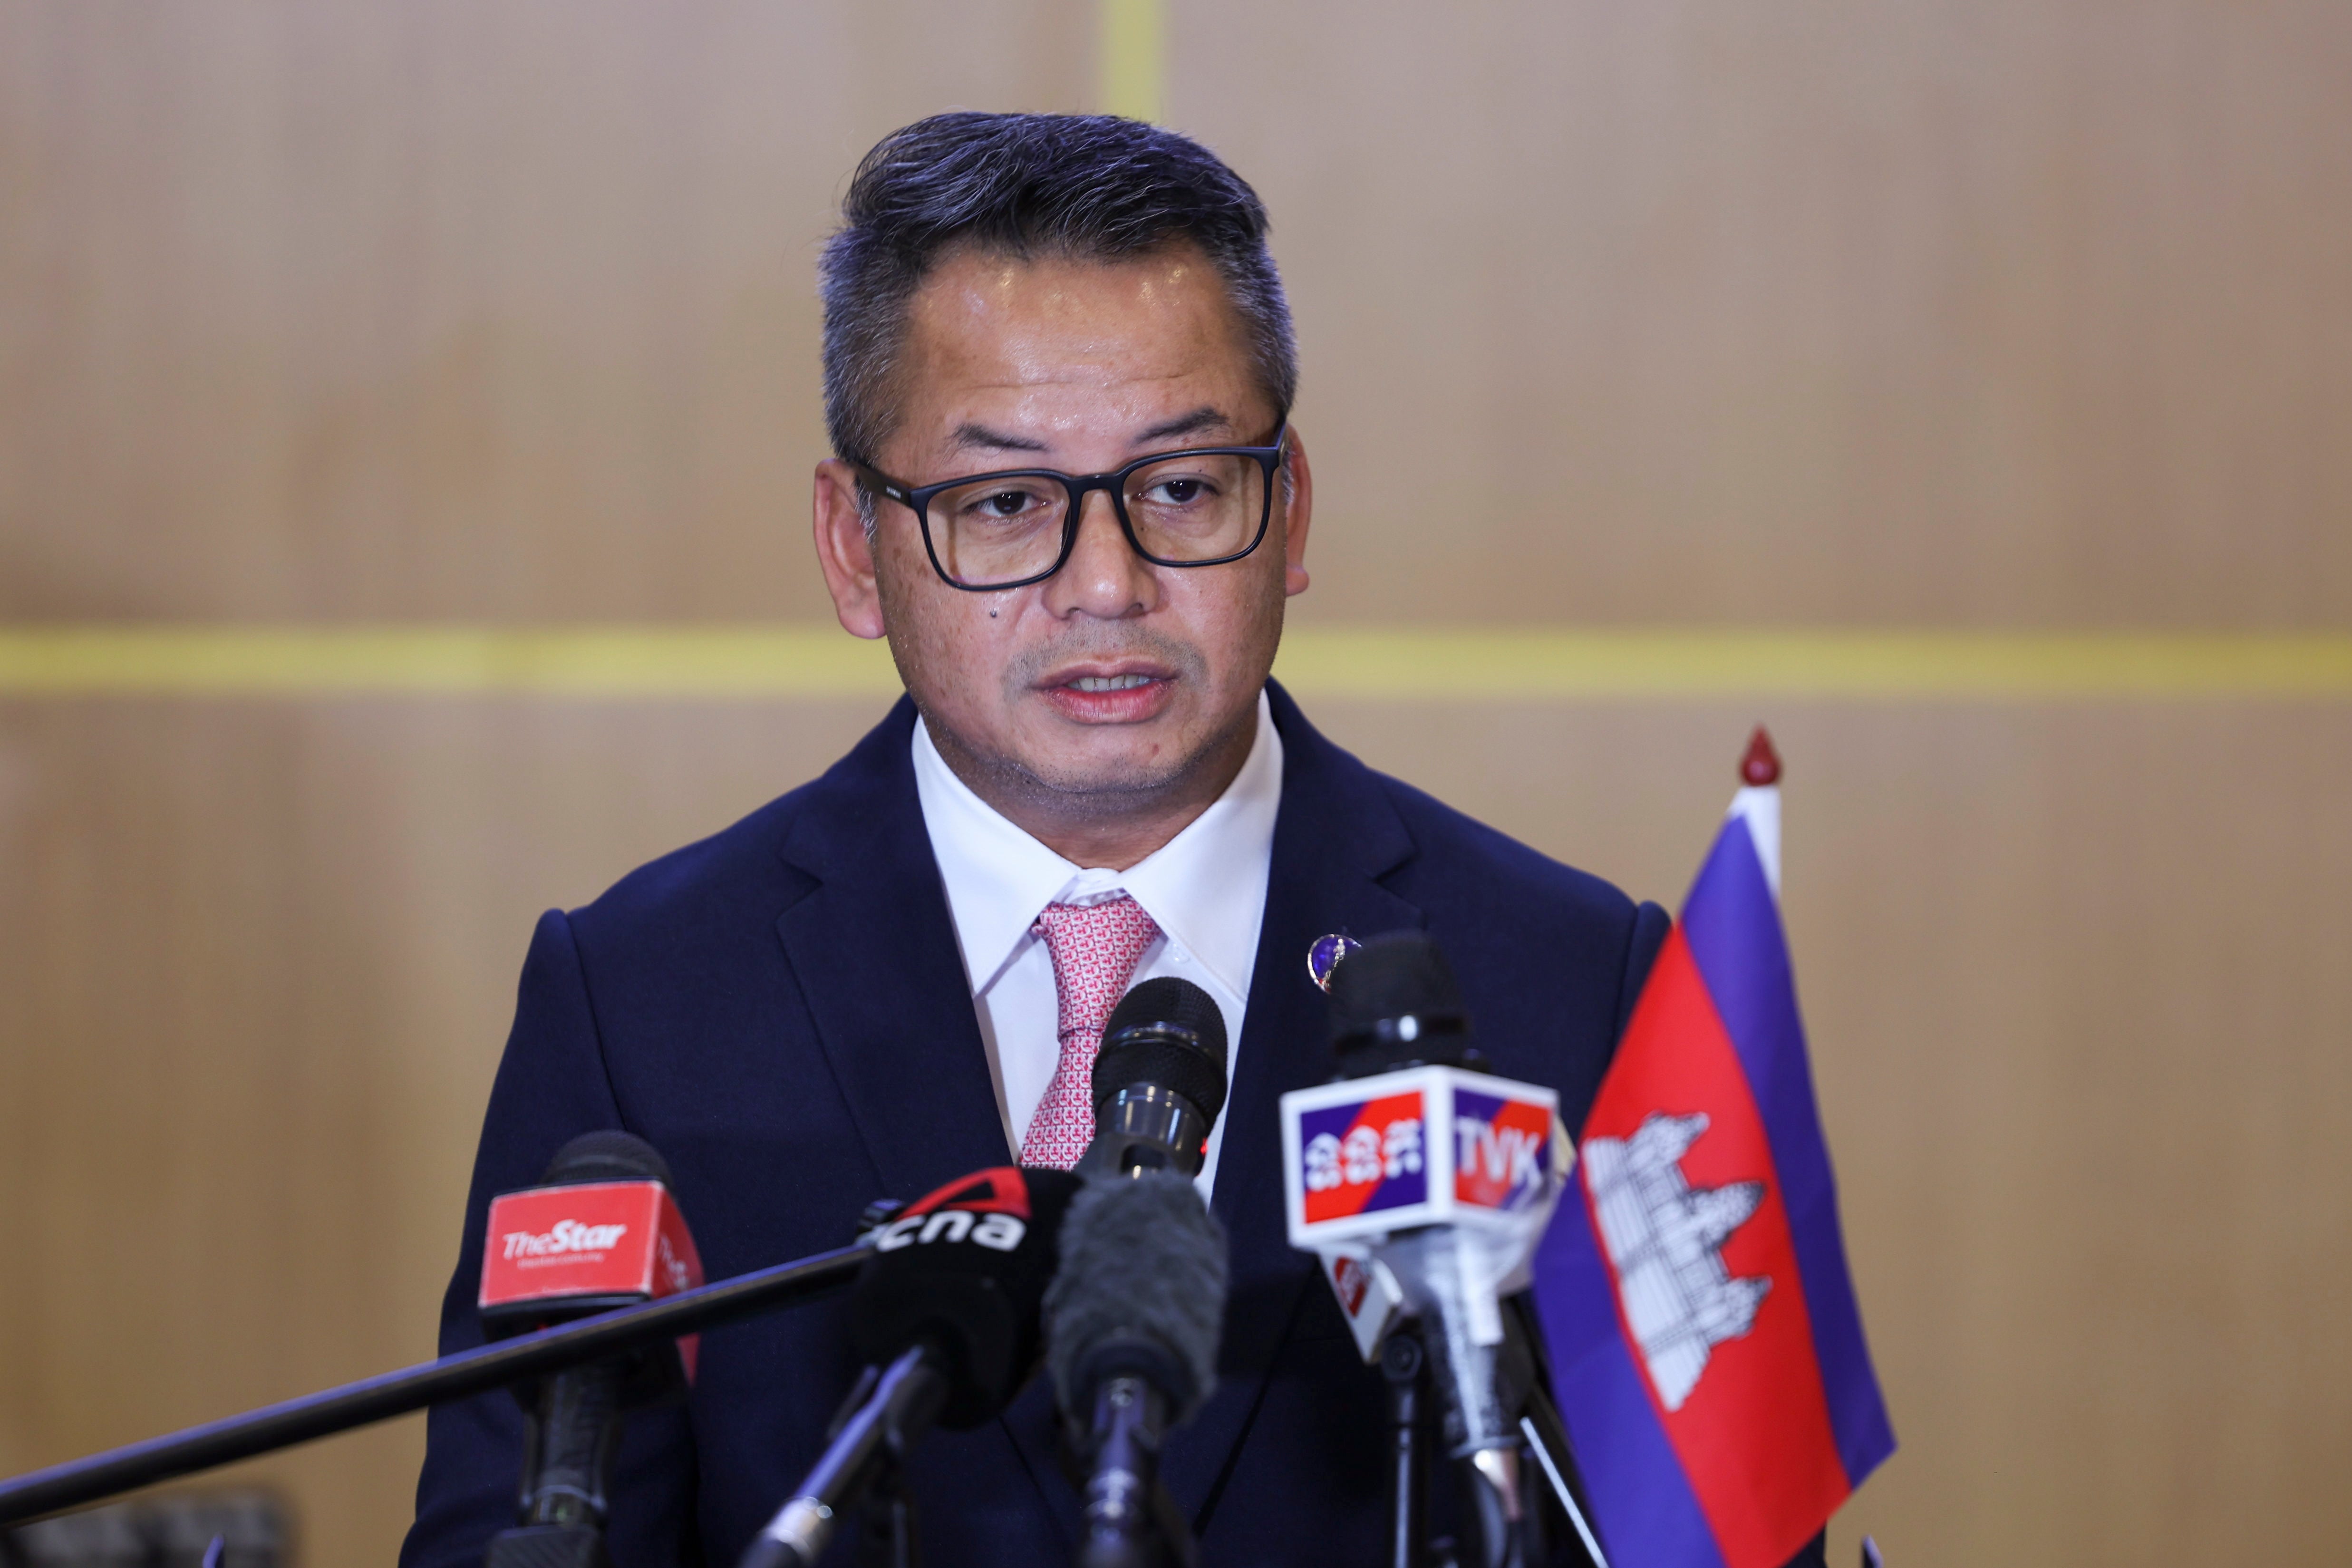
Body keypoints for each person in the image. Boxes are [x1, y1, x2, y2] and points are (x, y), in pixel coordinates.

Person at [402, 113, 1821, 1568]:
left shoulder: (1579, 990)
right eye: (1005, 502)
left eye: (1184, 489)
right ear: (852, 546)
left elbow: (1715, 1529)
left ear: (1291, 510)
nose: (1106, 583)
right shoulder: (647, 1004)